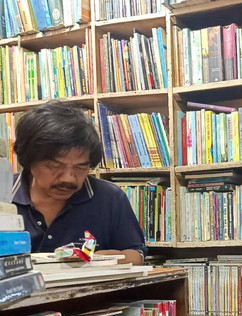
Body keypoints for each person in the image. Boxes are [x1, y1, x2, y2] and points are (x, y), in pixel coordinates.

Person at [11, 100, 146, 265]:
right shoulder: (4, 195)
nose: (68, 178)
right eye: (55, 166)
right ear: (28, 160)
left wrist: (106, 261)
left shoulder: (110, 197)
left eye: (81, 167)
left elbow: (136, 254)